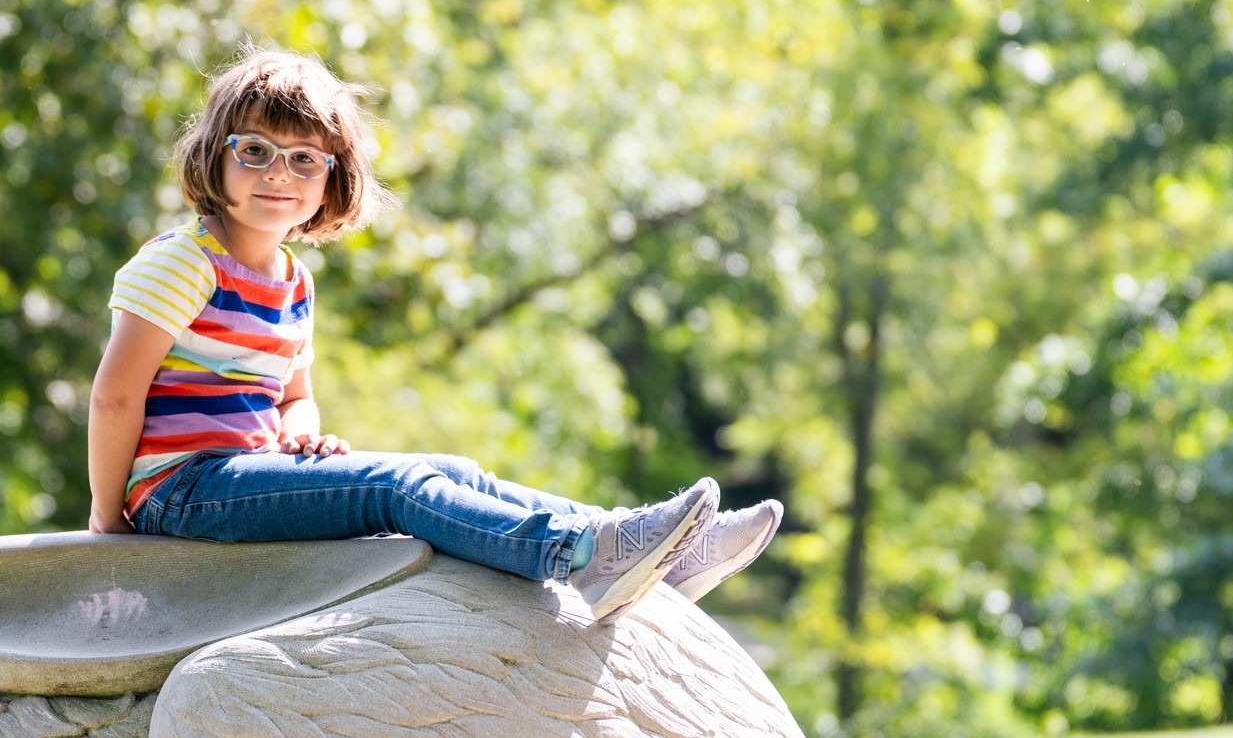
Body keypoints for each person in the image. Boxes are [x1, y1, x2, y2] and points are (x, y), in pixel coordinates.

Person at [86, 49, 782, 624]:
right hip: (180, 488)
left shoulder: (293, 280)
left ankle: (657, 553)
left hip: (248, 474)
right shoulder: (185, 261)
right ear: (215, 156)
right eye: (257, 150)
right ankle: (578, 552)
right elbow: (116, 396)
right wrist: (108, 516)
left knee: (456, 472)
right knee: (398, 487)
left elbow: (293, 395)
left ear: (332, 178)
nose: (279, 174)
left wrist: (303, 432)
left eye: (306, 159)